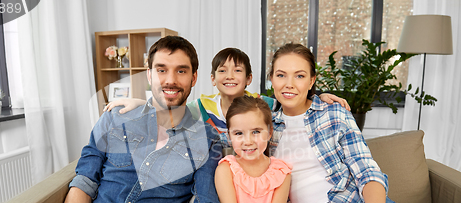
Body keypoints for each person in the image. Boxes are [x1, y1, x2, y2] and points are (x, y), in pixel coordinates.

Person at [36, 36, 225, 203]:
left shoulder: (206, 138)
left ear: (194, 78)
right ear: (149, 75)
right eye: (161, 70)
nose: (170, 80)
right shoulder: (113, 120)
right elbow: (85, 181)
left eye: (181, 71)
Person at [268, 43, 417, 203]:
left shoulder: (333, 113)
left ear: (311, 81)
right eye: (281, 75)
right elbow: (233, 113)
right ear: (271, 78)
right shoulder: (263, 127)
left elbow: (366, 168)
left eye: (299, 76)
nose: (289, 84)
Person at [105, 47, 350, 150]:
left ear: (249, 78)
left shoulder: (261, 102)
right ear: (212, 78)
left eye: (238, 71)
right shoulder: (202, 105)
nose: (230, 76)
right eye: (222, 71)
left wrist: (318, 94)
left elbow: (291, 98)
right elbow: (170, 110)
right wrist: (139, 103)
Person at [215, 96, 293, 203]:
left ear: (270, 132)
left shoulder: (281, 172)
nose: (248, 141)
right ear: (229, 136)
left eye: (256, 132)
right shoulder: (226, 169)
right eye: (238, 133)